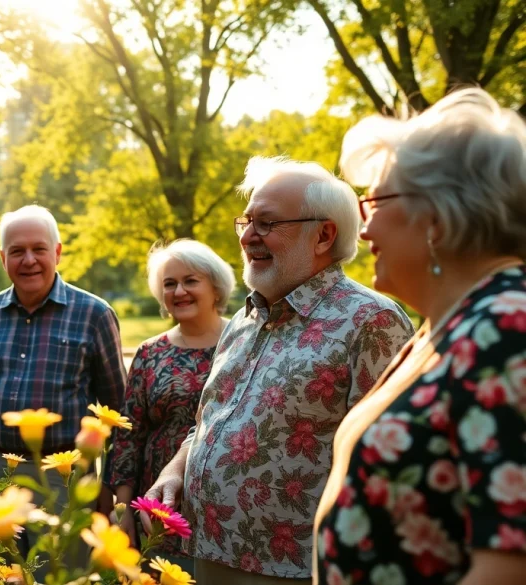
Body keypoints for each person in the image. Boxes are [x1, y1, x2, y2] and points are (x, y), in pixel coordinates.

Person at [146, 157, 414, 585]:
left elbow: (390, 466)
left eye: (267, 223)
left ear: (324, 234)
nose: (249, 236)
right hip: (207, 550)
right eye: (247, 221)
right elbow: (208, 422)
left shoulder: (371, 320)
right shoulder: (244, 319)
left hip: (295, 569)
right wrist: (175, 470)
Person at [313, 88, 526, 585]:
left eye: (375, 202)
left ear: (436, 213)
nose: (362, 231)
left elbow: (511, 564)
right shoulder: (451, 324)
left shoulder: (505, 328)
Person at [0, 204, 127, 574]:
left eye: (39, 249)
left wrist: (107, 484)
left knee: (58, 574)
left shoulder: (94, 314)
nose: (29, 260)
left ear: (58, 252)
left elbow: (119, 411)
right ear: (3, 258)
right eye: (17, 251)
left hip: (61, 477)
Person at [107, 239, 235, 561]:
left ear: (216, 288)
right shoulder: (150, 353)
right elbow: (128, 437)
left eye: (191, 281)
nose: (179, 291)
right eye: (170, 284)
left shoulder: (243, 342)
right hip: (159, 506)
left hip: (227, 505)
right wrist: (122, 510)